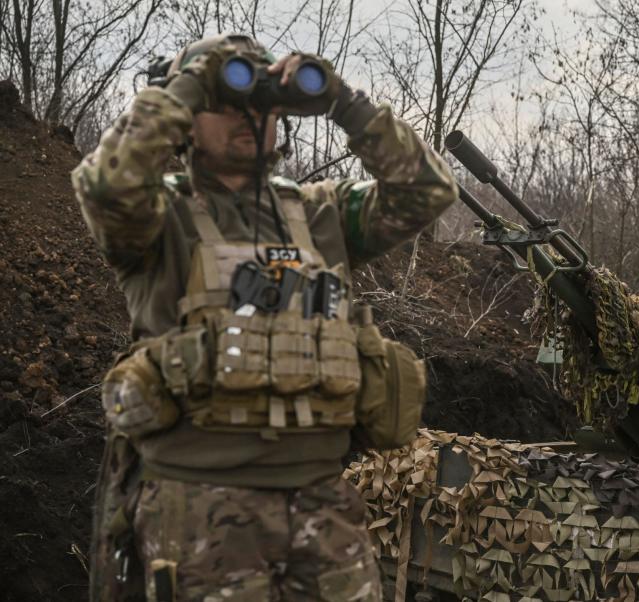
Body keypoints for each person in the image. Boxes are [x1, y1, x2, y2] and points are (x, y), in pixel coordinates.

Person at [73, 34, 457, 601]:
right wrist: (186, 83)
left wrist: (342, 102)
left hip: (322, 500)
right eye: (226, 104)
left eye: (262, 105)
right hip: (199, 506)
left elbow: (426, 190)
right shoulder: (158, 219)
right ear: (187, 117)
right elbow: (108, 184)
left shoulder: (321, 214)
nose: (248, 118)